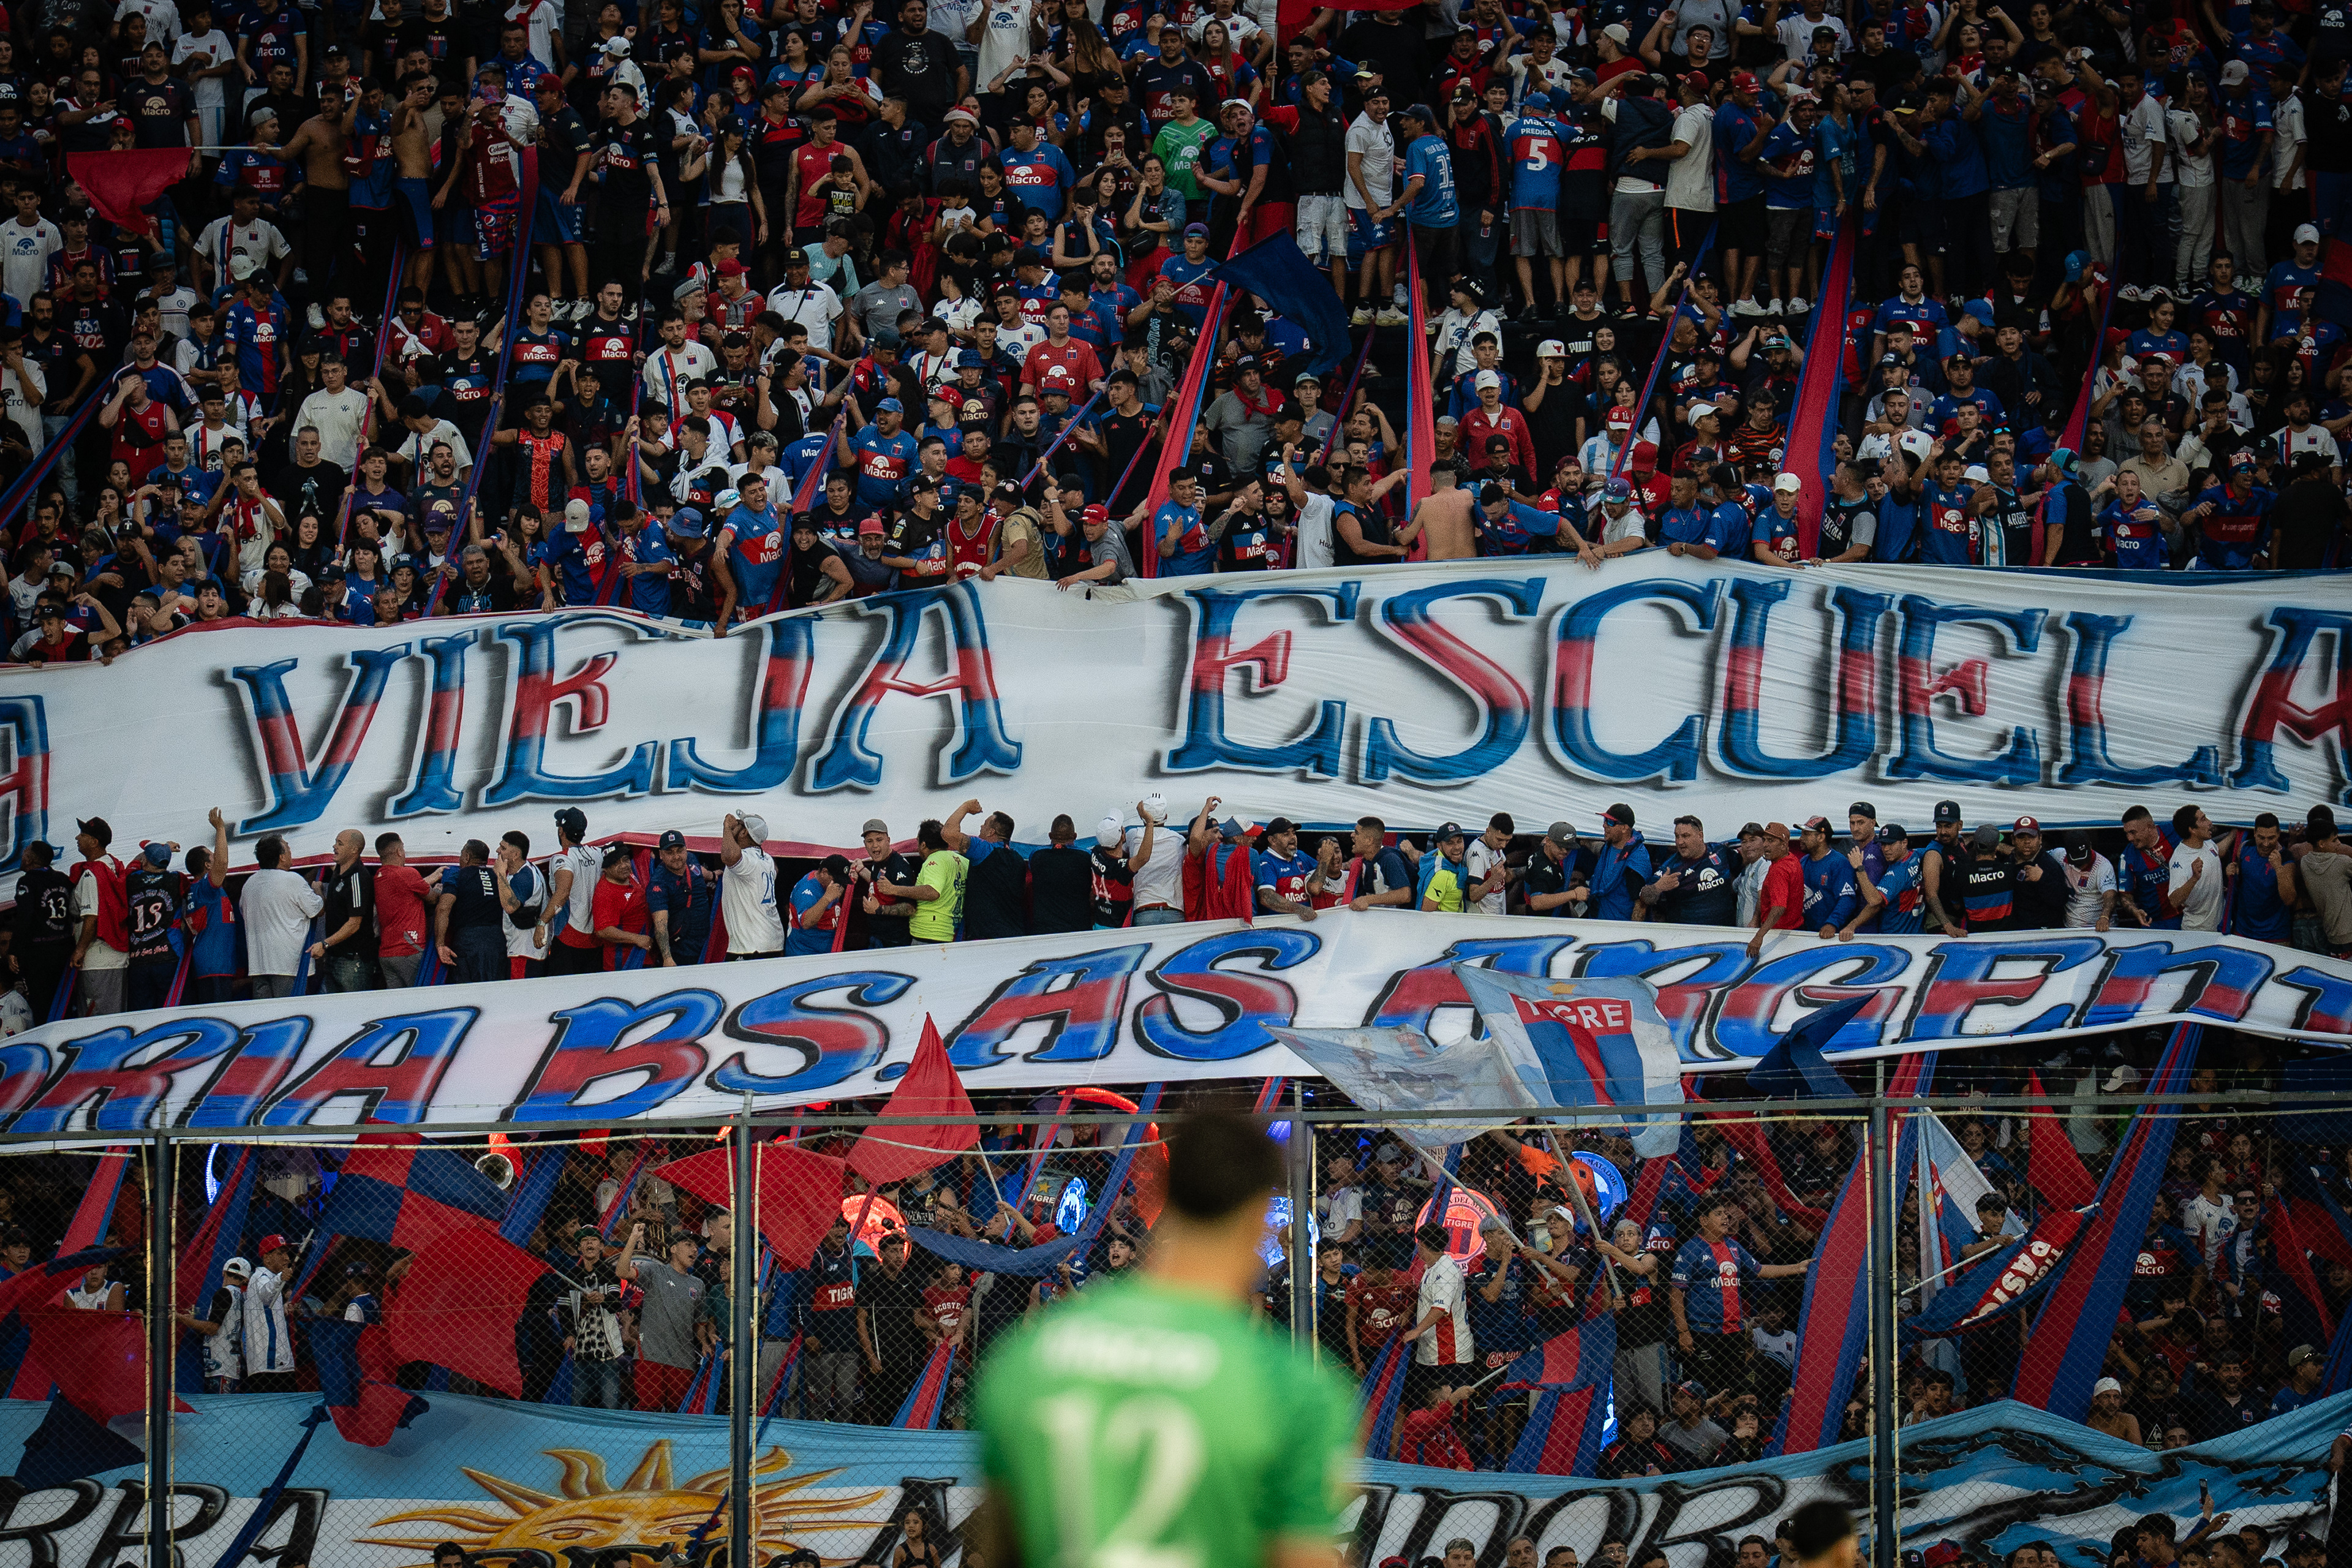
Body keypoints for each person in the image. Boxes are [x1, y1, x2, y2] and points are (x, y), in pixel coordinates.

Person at [970, 1113, 1359, 1568]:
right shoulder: (1292, 1389)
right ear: (1260, 1219)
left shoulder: (1029, 1359)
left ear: (1167, 1197)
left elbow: (1004, 1544)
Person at [719, 812, 786, 958]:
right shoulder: (767, 858)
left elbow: (729, 856)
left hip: (751, 945)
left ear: (744, 833)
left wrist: (727, 828)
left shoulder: (748, 859)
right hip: (772, 940)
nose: (735, 824)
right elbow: (775, 870)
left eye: (739, 824)